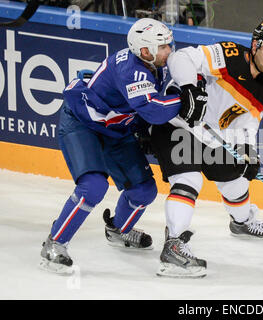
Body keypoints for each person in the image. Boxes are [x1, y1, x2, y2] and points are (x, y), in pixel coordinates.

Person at [39, 18, 208, 274]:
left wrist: (190, 91)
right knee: (93, 186)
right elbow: (152, 108)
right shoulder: (131, 70)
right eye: (162, 47)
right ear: (144, 50)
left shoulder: (155, 64)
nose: (169, 51)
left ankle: (117, 230)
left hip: (116, 129)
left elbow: (145, 108)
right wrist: (185, 100)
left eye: (168, 44)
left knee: (143, 191)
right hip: (83, 124)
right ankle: (55, 243)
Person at [148, 20, 263, 278]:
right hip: (177, 125)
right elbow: (180, 58)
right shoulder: (229, 55)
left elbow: (248, 121)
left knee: (237, 178)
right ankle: (174, 245)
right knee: (189, 180)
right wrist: (190, 88)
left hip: (212, 137)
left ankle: (242, 222)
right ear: (256, 45)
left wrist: (246, 147)